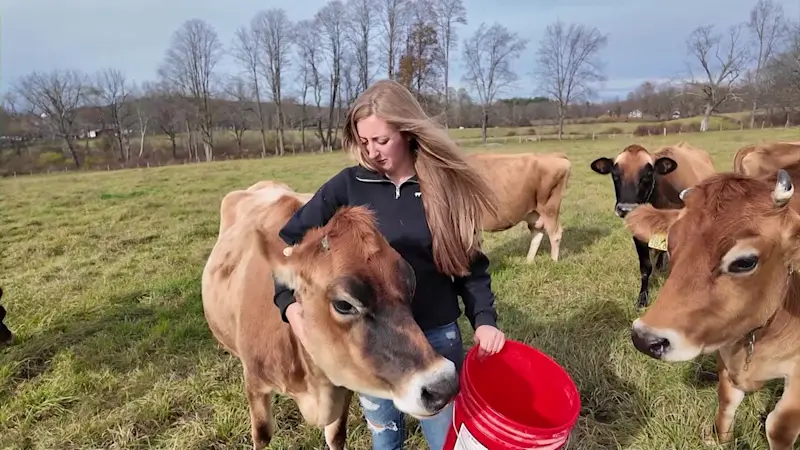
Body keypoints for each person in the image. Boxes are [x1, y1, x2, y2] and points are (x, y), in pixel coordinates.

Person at [272, 79, 506, 450]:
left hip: (436, 335)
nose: (372, 152)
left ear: (408, 132)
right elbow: (289, 248)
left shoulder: (444, 188)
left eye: (381, 140)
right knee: (384, 437)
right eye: (364, 141)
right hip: (374, 342)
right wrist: (290, 307)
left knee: (445, 439)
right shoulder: (348, 185)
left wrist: (485, 320)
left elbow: (472, 266)